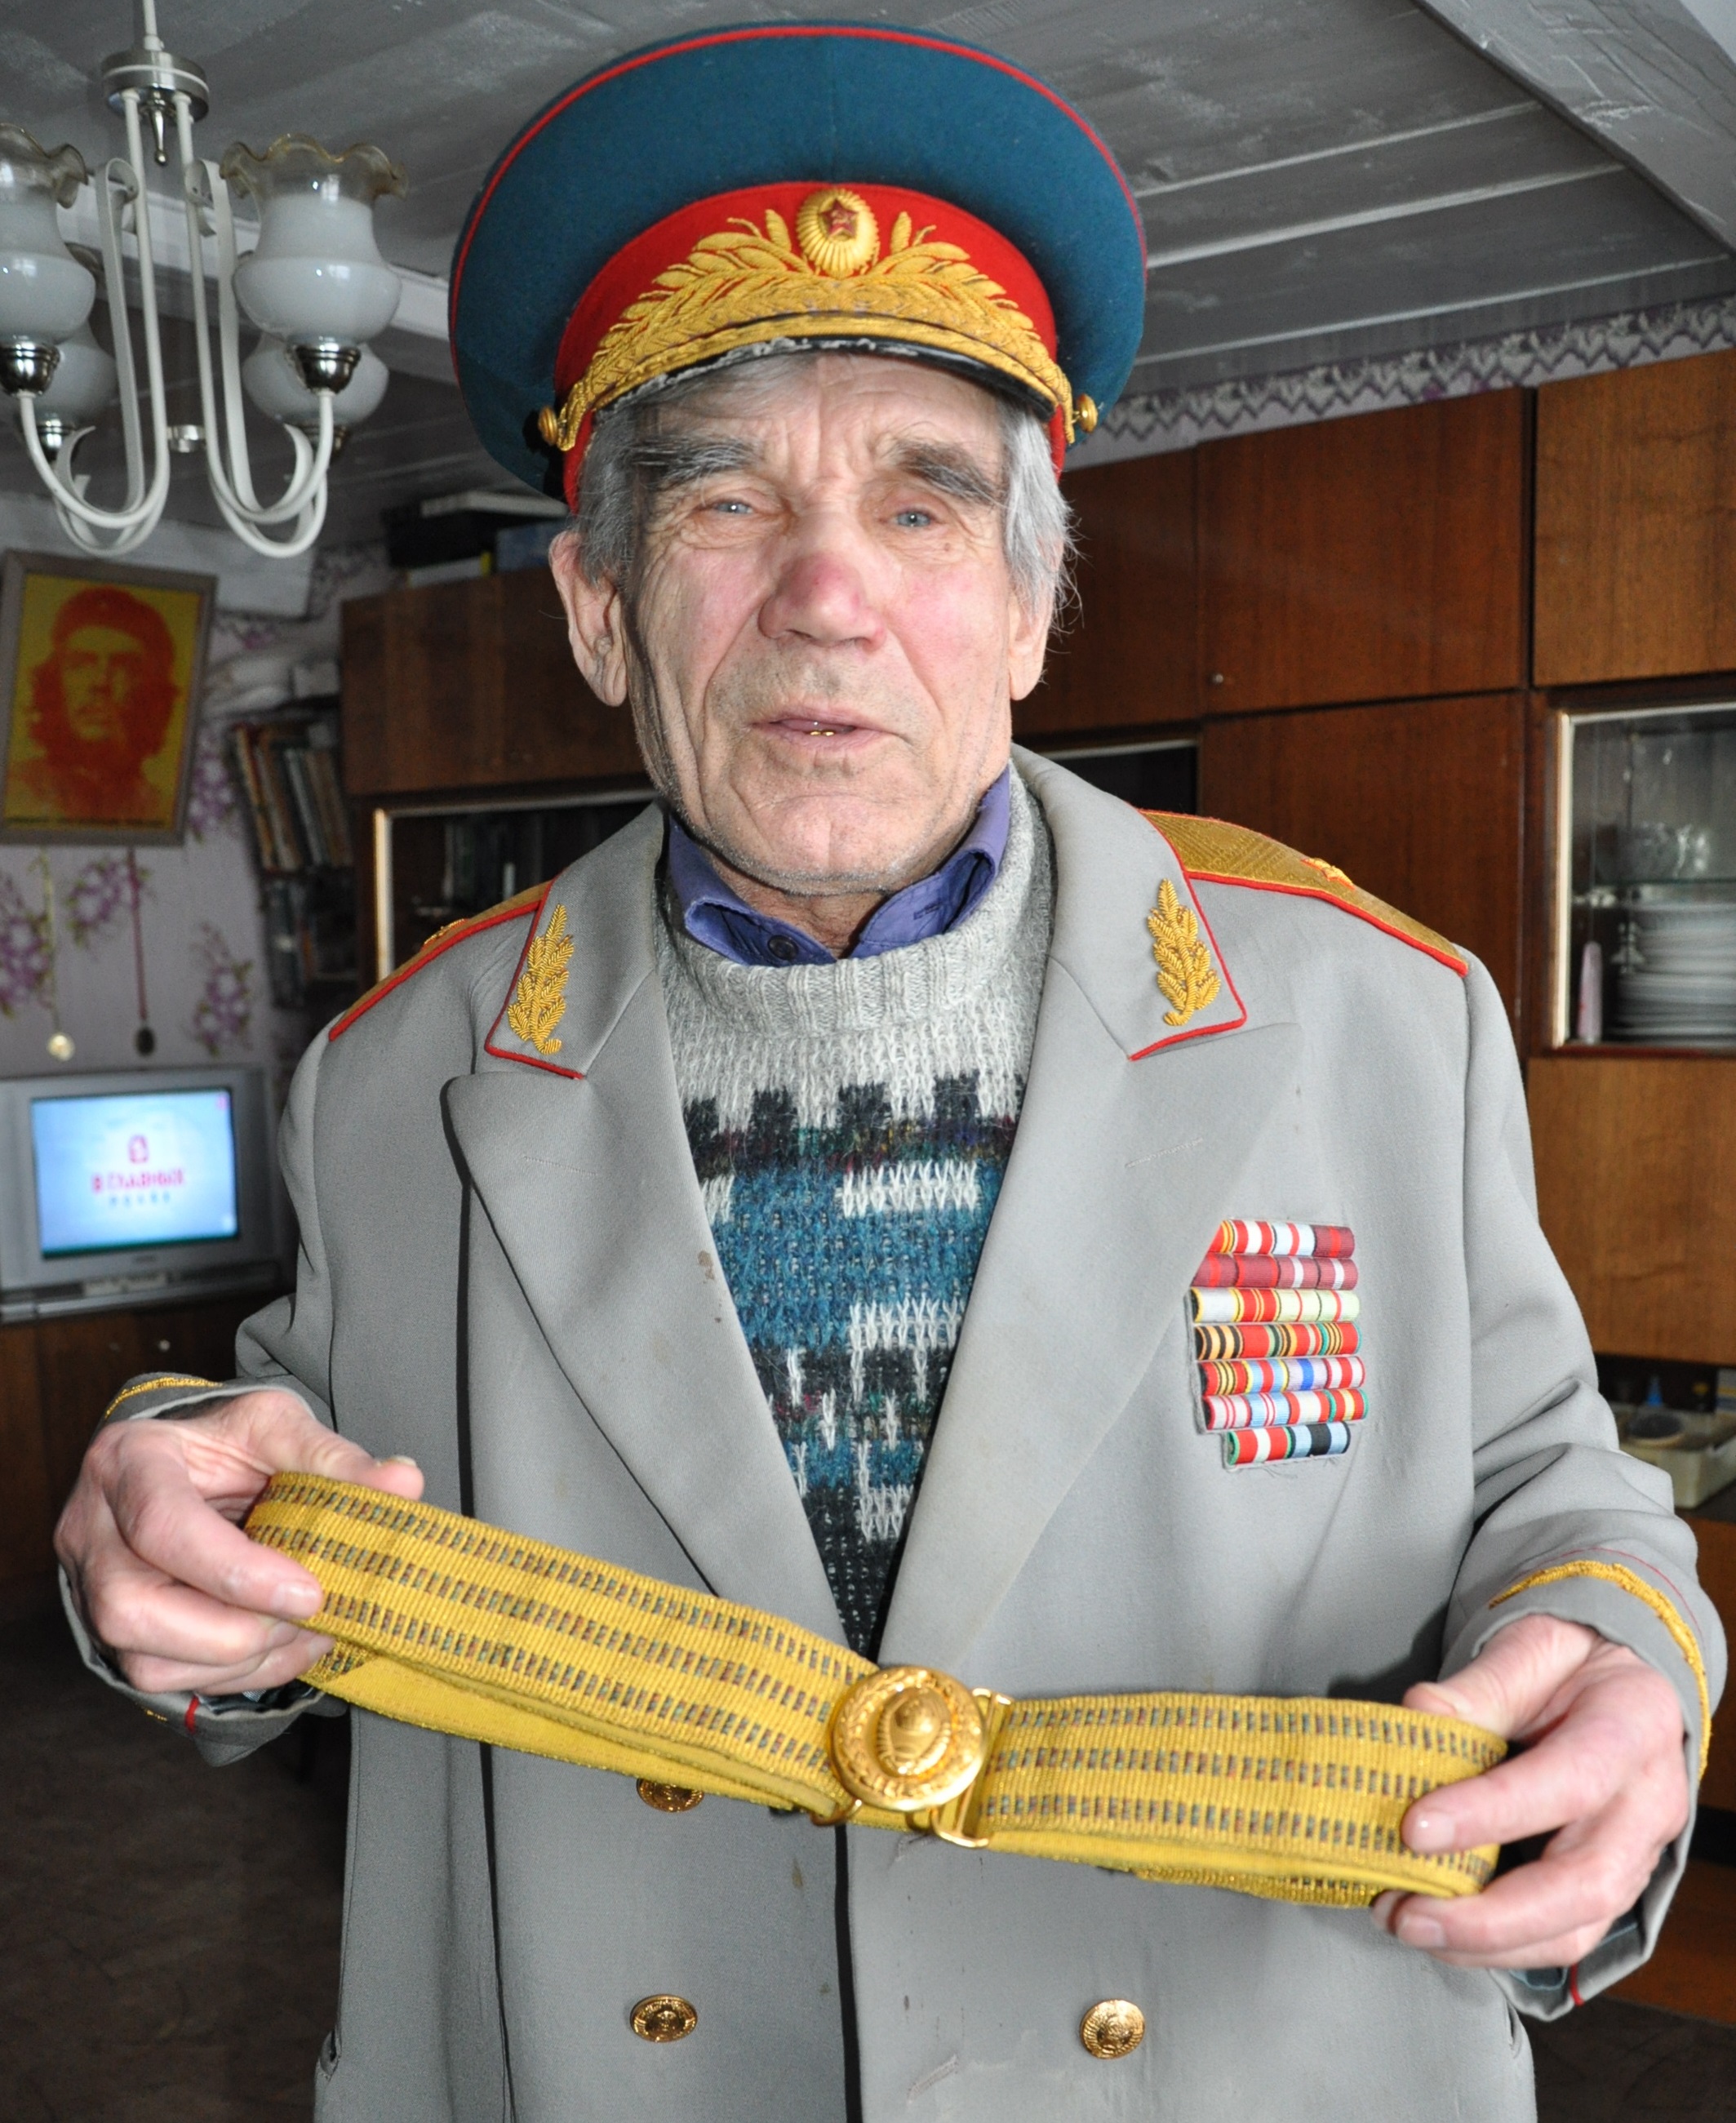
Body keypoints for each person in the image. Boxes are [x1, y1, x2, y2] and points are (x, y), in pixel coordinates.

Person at [54, 24, 1720, 2123]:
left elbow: (1548, 1479)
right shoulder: (398, 1075)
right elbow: (268, 1517)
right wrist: (160, 1515)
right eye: (723, 499)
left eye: (923, 504)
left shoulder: (1382, 1007)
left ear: (1027, 606)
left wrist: (1625, 1648)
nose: (826, 594)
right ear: (596, 608)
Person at [6, 582, 180, 828]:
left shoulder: (161, 812)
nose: (100, 682)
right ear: (55, 682)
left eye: (123, 666)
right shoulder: (13, 790)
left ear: (150, 690)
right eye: (81, 664)